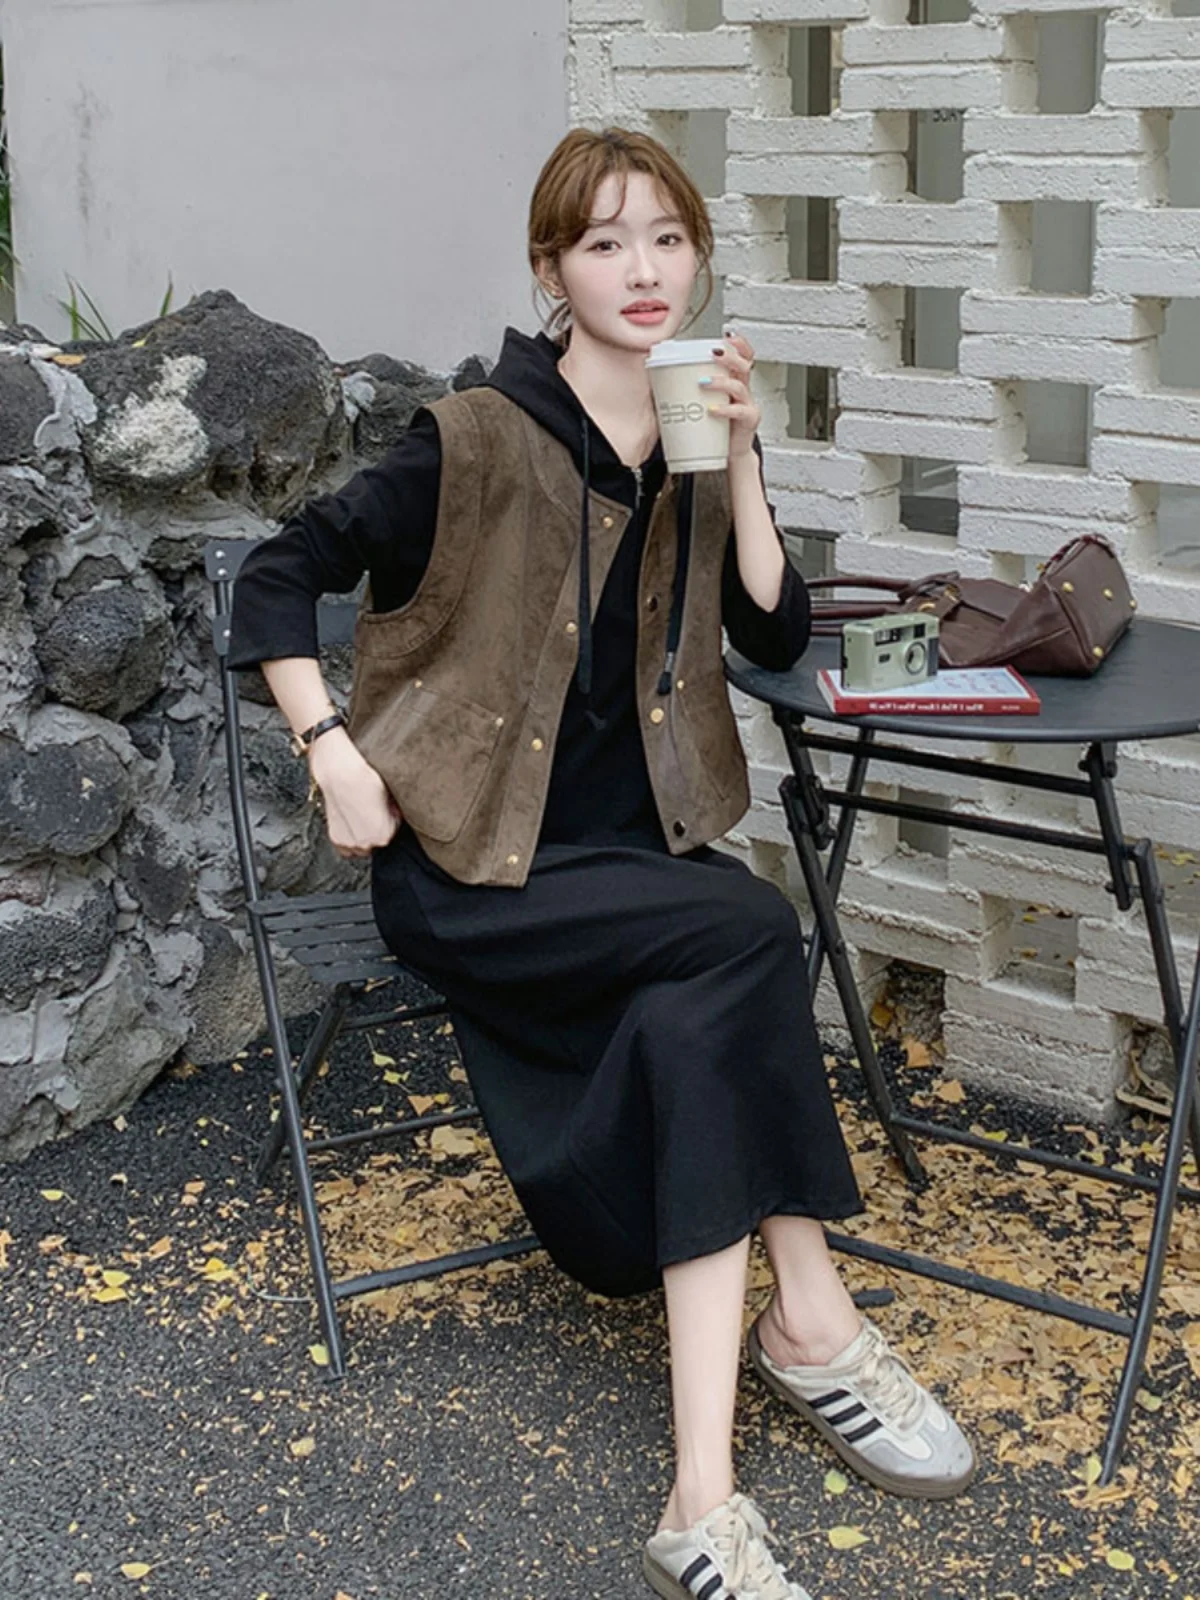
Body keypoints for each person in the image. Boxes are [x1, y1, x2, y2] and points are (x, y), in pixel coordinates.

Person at [229, 126, 974, 1600]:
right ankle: (814, 1320)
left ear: (698, 259)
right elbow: (275, 577)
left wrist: (742, 456)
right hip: (473, 873)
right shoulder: (472, 438)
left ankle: (702, 1497)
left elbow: (773, 630)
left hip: (639, 880)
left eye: (668, 239)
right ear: (552, 269)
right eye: (605, 242)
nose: (644, 269)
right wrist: (331, 751)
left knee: (702, 1013)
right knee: (748, 930)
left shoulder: (693, 435)